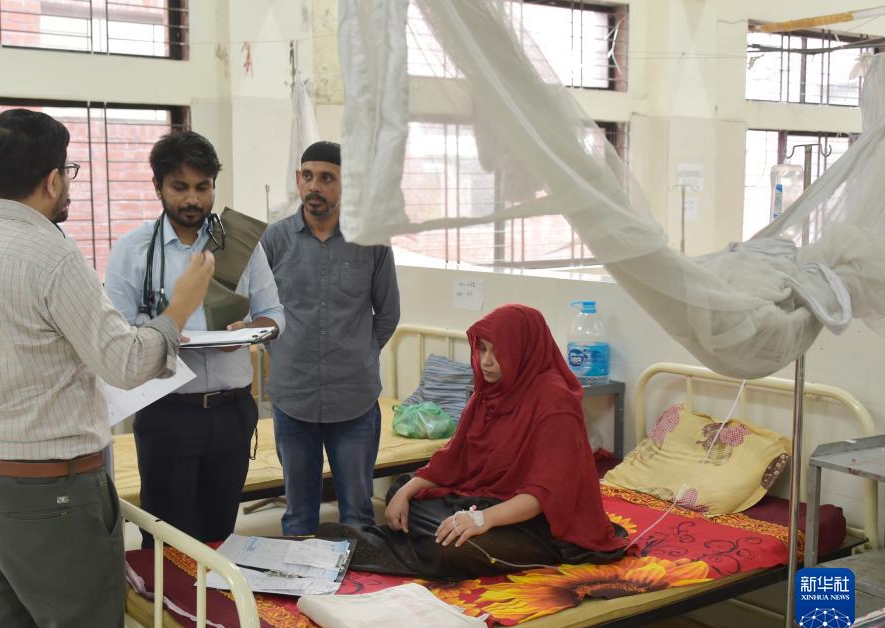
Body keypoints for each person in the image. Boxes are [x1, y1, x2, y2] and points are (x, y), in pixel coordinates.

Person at [0, 109, 214, 628]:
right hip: (54, 495)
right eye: (68, 172)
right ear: (52, 179)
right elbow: (124, 364)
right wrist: (177, 312)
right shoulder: (52, 256)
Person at [318, 304, 627, 580]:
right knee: (404, 493)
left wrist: (482, 519)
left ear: (522, 351)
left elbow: (544, 494)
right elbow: (454, 459)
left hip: (542, 523)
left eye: (497, 352)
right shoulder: (489, 394)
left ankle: (373, 546)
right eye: (482, 349)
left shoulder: (555, 402)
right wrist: (406, 492)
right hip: (490, 500)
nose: (486, 361)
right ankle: (402, 541)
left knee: (457, 550)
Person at [106, 131, 284, 548]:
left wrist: (249, 331)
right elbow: (117, 334)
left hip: (231, 413)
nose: (193, 199)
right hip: (167, 412)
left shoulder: (239, 246)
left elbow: (275, 315)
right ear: (158, 186)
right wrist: (162, 330)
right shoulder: (133, 251)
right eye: (180, 187)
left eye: (203, 187)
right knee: (167, 540)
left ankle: (214, 593)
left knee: (220, 537)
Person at [261, 141, 401, 536]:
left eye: (326, 178)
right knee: (298, 517)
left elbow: (388, 313)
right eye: (308, 176)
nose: (314, 186)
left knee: (358, 515)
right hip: (294, 398)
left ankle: (358, 578)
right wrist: (284, 351)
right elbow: (259, 309)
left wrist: (360, 352)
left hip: (354, 401)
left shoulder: (371, 242)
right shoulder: (274, 240)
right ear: (298, 179)